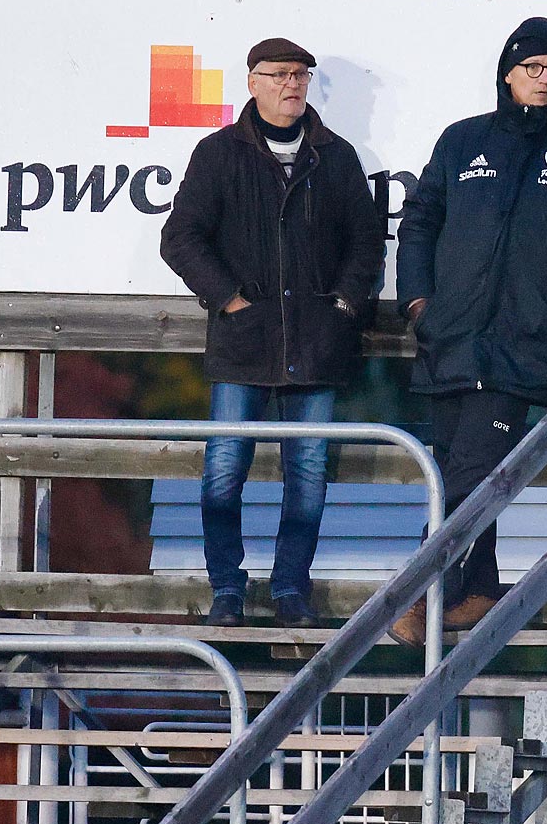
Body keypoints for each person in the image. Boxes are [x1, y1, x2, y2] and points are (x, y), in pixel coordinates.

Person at [389, 17, 547, 644]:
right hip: (451, 338)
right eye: (533, 67)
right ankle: (475, 588)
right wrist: (417, 301)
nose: (544, 78)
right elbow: (418, 222)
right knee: (454, 468)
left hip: (527, 342)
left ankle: (422, 593)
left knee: (471, 469)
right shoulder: (462, 141)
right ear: (508, 73)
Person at [160, 37, 384, 628]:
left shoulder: (336, 157)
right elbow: (180, 236)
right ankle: (226, 592)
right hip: (244, 342)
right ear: (253, 82)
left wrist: (343, 304)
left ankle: (291, 591)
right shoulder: (218, 154)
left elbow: (366, 241)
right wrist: (228, 299)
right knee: (223, 471)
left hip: (317, 342)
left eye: (302, 74)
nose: (293, 84)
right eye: (281, 74)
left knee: (308, 474)